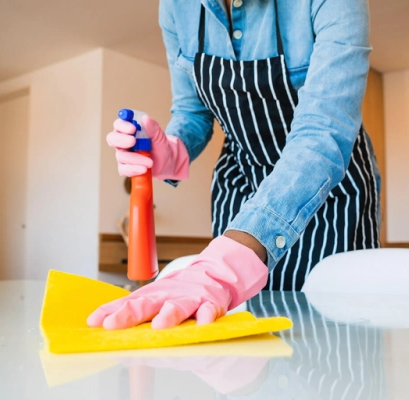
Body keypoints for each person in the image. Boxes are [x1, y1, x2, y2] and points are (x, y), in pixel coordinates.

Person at [87, 0, 380, 331]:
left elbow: (322, 131)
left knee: (330, 342)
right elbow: (192, 112)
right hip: (241, 184)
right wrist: (167, 152)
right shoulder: (175, 7)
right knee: (239, 348)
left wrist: (223, 266)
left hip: (330, 196)